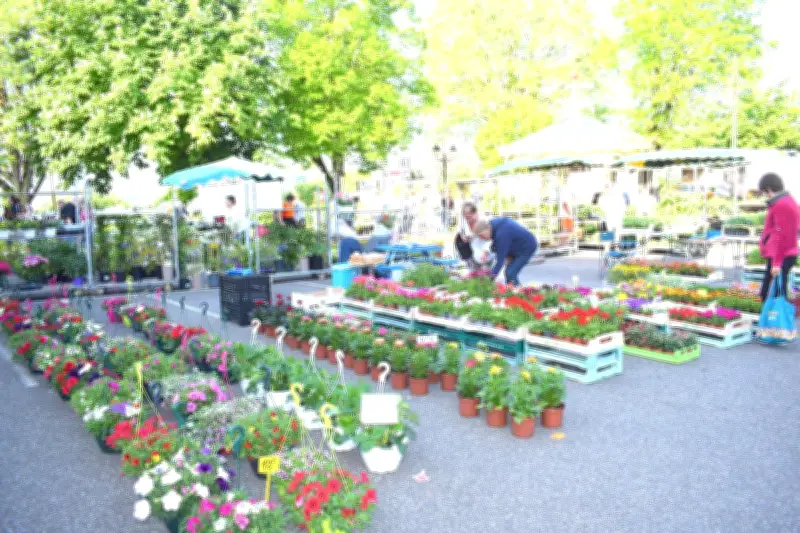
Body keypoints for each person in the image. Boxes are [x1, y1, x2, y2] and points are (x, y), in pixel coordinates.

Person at [757, 173, 799, 302]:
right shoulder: (787, 201)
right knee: (776, 290)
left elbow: (782, 235)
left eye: (765, 192)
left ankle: (775, 319)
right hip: (783, 253)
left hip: (781, 254)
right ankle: (774, 317)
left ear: (769, 189)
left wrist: (777, 263)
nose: (765, 195)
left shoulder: (781, 205)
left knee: (774, 293)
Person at [473, 218, 537, 286]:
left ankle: (519, 293)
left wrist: (489, 280)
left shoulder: (502, 234)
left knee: (510, 273)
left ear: (488, 229)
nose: (481, 238)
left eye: (481, 236)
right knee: (508, 272)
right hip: (514, 244)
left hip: (527, 246)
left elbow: (500, 262)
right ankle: (510, 292)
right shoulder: (491, 224)